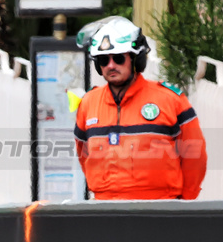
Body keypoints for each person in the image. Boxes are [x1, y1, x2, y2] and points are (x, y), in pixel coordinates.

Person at [72, 17, 207, 200]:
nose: (111, 65)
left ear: (137, 60)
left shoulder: (170, 100)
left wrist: (185, 204)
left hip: (160, 211)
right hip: (105, 211)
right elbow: (83, 153)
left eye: (119, 58)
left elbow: (194, 155)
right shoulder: (88, 103)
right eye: (103, 60)